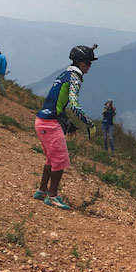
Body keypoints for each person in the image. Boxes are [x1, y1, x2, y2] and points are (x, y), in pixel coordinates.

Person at [33, 45, 96, 210]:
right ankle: (53, 196)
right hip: (50, 123)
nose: (90, 66)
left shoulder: (65, 74)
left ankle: (42, 191)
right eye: (88, 63)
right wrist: (89, 123)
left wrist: (69, 124)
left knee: (51, 159)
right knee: (60, 161)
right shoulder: (75, 78)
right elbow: (74, 105)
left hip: (41, 121)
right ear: (79, 62)